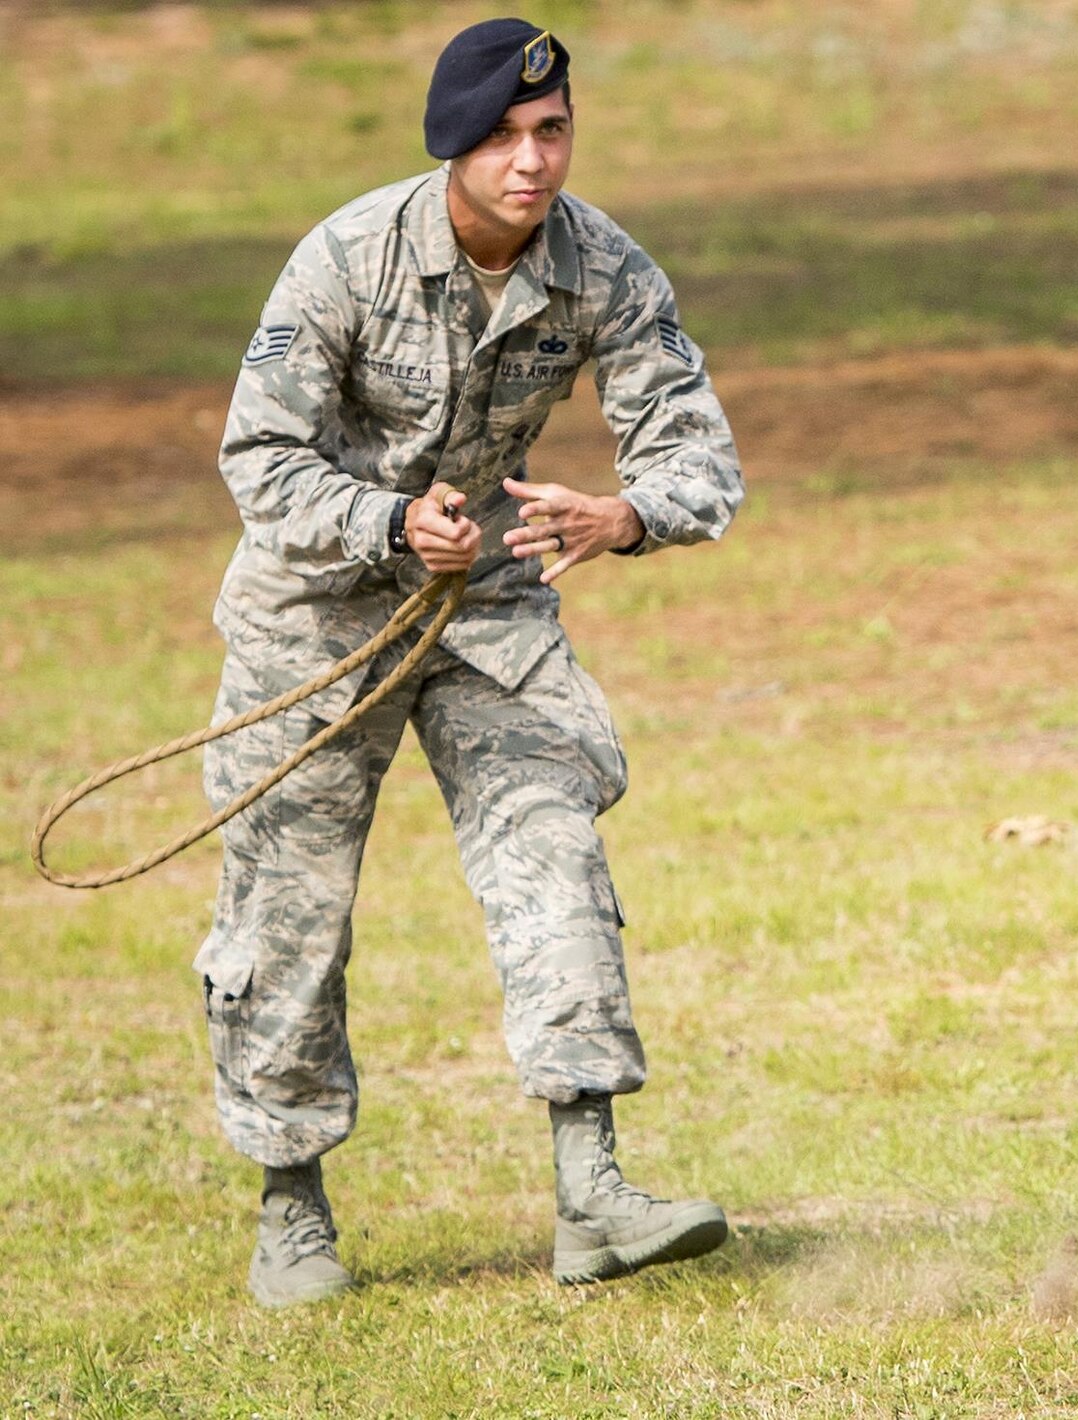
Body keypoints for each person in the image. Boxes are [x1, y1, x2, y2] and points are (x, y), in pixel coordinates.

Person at [193, 17, 744, 1307]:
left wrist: (627, 516)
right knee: (289, 910)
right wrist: (386, 520)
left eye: (551, 132)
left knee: (553, 846)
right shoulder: (343, 259)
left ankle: (593, 1190)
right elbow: (257, 457)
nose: (532, 161)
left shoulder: (604, 266)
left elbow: (694, 450)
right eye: (502, 136)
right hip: (316, 616)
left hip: (490, 604)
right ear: (453, 143)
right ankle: (292, 1208)